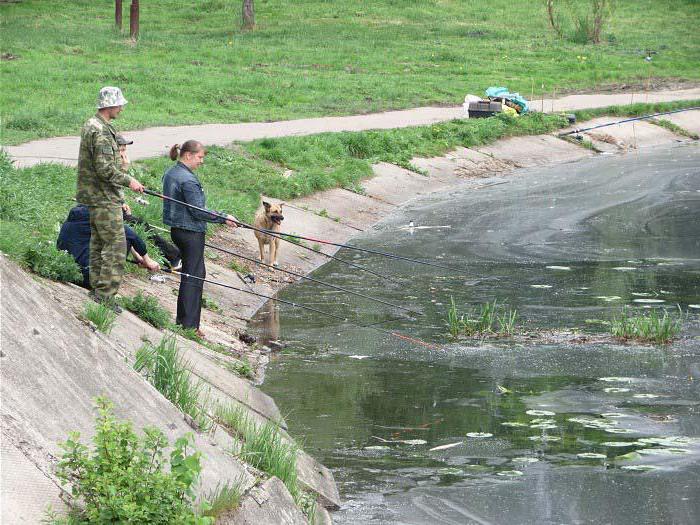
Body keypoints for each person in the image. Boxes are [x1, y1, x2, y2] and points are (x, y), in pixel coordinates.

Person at [76, 86, 145, 312]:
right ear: (110, 105)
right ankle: (105, 295)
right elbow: (105, 169)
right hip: (104, 197)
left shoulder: (92, 124)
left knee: (98, 243)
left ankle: (96, 287)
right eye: (120, 105)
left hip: (95, 196)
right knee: (116, 246)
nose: (122, 108)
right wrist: (129, 181)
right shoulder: (102, 132)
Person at [162, 140, 237, 337]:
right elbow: (198, 211)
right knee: (194, 276)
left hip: (177, 230)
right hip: (190, 233)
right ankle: (189, 326)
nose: (201, 161)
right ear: (188, 155)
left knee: (191, 273)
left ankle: (184, 321)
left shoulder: (171, 173)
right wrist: (223, 218)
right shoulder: (188, 180)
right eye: (200, 157)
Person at [115, 134, 182, 270]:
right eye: (120, 150)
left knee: (138, 223)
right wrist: (124, 170)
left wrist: (121, 202)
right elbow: (109, 184)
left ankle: (173, 256)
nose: (124, 154)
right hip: (103, 211)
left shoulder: (114, 166)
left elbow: (114, 188)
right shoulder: (108, 166)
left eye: (124, 150)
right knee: (138, 224)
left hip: (115, 207)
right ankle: (174, 257)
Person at [57, 205, 160, 289]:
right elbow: (129, 234)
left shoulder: (81, 213)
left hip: (66, 270)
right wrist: (148, 260)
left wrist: (138, 258)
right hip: (88, 278)